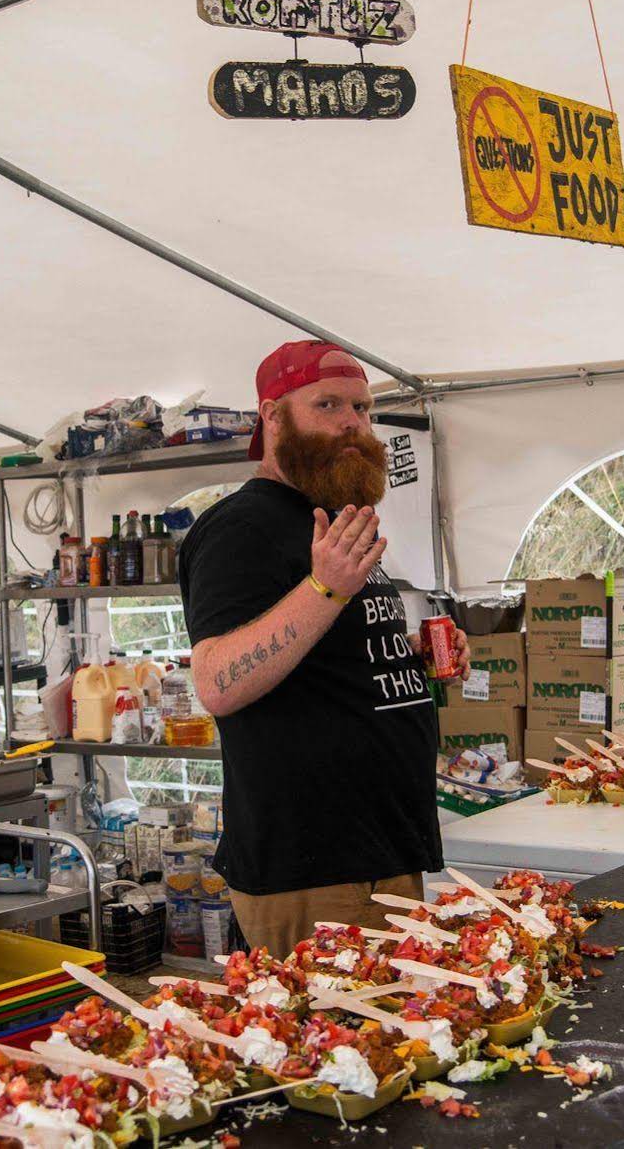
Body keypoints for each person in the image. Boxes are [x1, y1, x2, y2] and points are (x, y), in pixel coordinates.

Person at [178, 340, 461, 955]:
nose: (353, 423)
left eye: (361, 408)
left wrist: (400, 655)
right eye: (328, 404)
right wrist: (326, 587)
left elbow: (319, 653)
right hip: (316, 868)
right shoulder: (241, 528)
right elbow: (218, 682)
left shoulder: (326, 516)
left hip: (375, 853)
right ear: (272, 417)